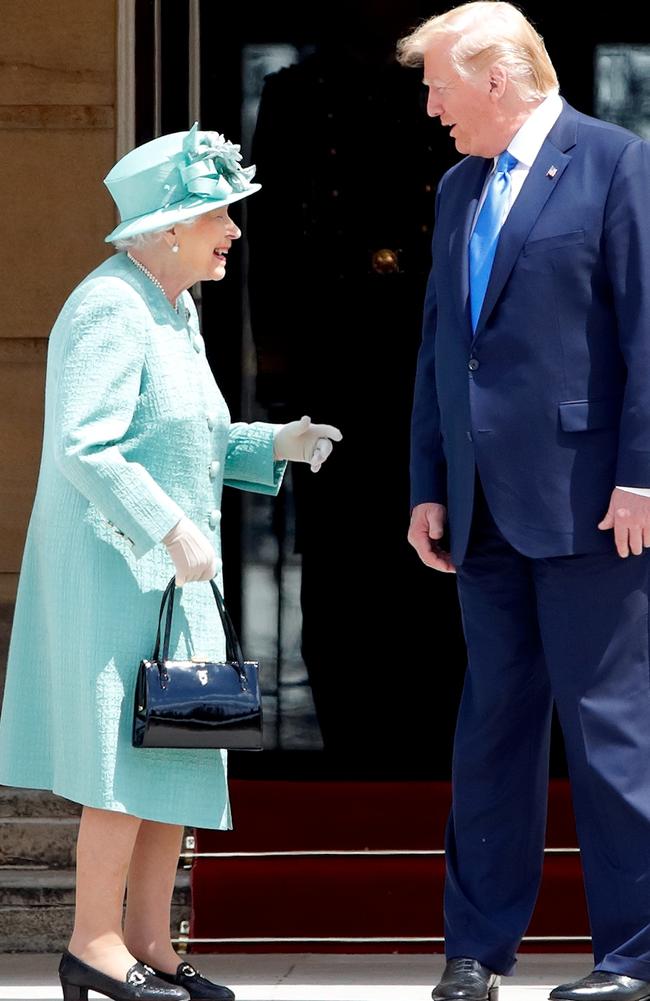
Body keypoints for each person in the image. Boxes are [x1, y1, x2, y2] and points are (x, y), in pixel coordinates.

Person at [0, 124, 341, 1001]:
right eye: (219, 214)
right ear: (167, 227)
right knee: (120, 763)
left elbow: (185, 439)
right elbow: (87, 445)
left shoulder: (172, 307)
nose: (232, 231)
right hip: (117, 571)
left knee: (173, 748)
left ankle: (150, 937)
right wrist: (167, 527)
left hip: (167, 573)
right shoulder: (111, 302)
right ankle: (93, 943)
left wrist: (275, 443)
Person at [399, 5, 650, 1001]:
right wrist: (426, 479)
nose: (430, 108)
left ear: (495, 78)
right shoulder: (460, 184)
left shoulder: (614, 161)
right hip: (480, 506)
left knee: (608, 727)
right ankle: (474, 949)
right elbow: (439, 344)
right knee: (491, 726)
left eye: (438, 88)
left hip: (594, 501)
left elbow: (644, 329)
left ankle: (632, 954)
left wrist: (640, 472)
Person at [248, 0, 464, 769]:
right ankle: (353, 738)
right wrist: (275, 364)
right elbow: (268, 242)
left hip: (426, 354)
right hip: (331, 358)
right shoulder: (296, 96)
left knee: (437, 549)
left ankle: (430, 735)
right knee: (340, 554)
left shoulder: (440, 91)